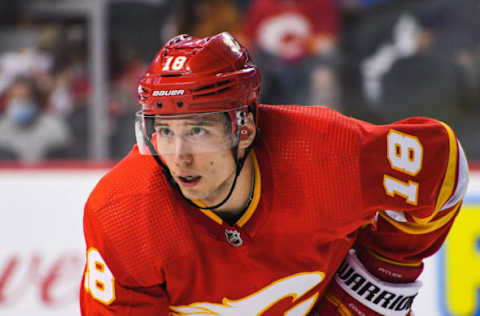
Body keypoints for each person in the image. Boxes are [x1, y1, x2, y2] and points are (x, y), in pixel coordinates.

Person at [79, 32, 469, 315]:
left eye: (198, 130)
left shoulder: (327, 155)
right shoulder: (123, 213)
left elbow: (442, 163)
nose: (178, 156)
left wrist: (378, 282)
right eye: (164, 130)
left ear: (243, 127)